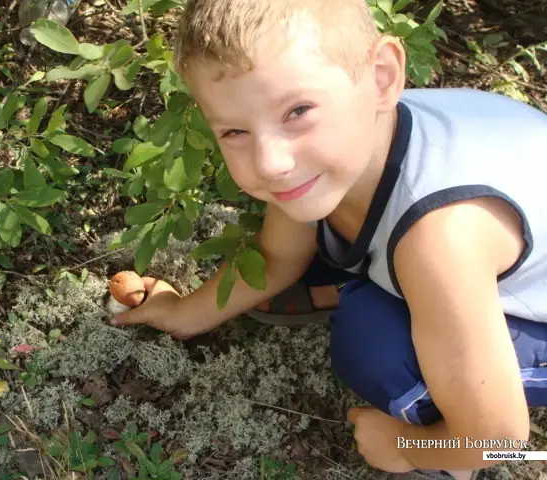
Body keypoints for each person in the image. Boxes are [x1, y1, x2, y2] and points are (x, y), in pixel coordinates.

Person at [109, 0, 547, 478]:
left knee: (377, 347)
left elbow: (502, 443)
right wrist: (185, 314)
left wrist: (405, 446)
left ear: (382, 76)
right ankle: (343, 291)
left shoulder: (441, 238)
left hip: (487, 326)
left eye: (298, 111)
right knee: (324, 243)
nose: (270, 161)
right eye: (235, 130)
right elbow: (278, 256)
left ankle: (447, 458)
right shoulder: (335, 153)